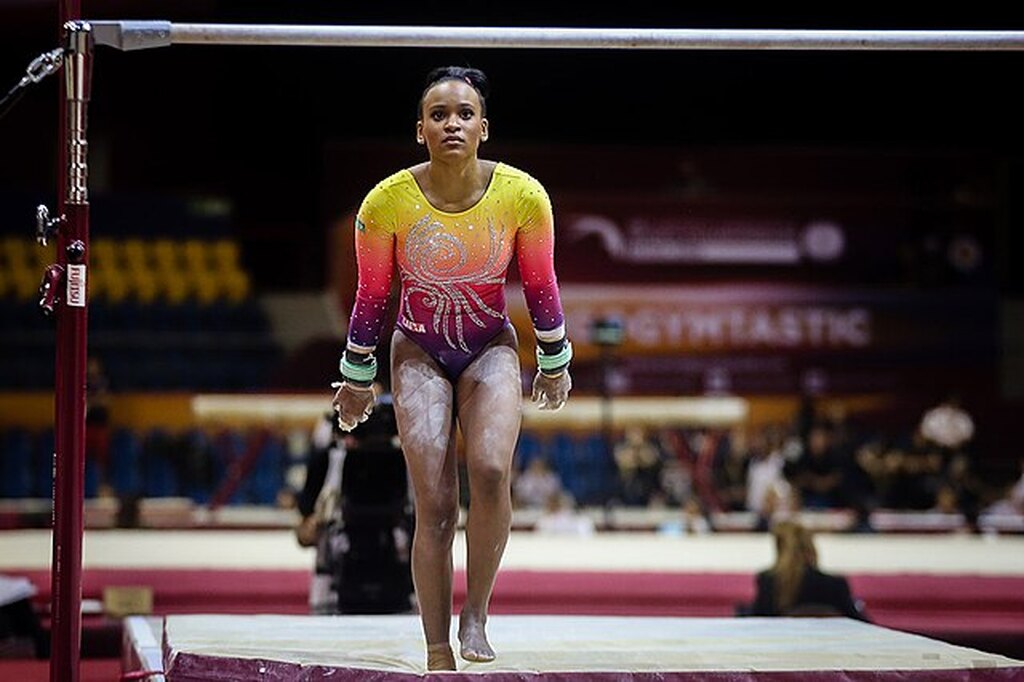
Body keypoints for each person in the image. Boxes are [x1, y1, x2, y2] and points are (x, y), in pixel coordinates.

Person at [331, 65, 572, 671]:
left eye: (464, 114)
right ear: (420, 131)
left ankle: (477, 616)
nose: (452, 124)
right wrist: (358, 377)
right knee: (435, 503)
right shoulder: (386, 202)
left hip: (490, 344)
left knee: (490, 470)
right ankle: (437, 647)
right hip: (417, 350)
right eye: (438, 115)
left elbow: (540, 283)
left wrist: (554, 359)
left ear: (484, 127)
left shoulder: (523, 195)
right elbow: (372, 297)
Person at [748, 520, 868, 620]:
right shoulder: (835, 584)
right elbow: (859, 622)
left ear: (779, 550)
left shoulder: (768, 581)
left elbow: (758, 620)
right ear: (811, 548)